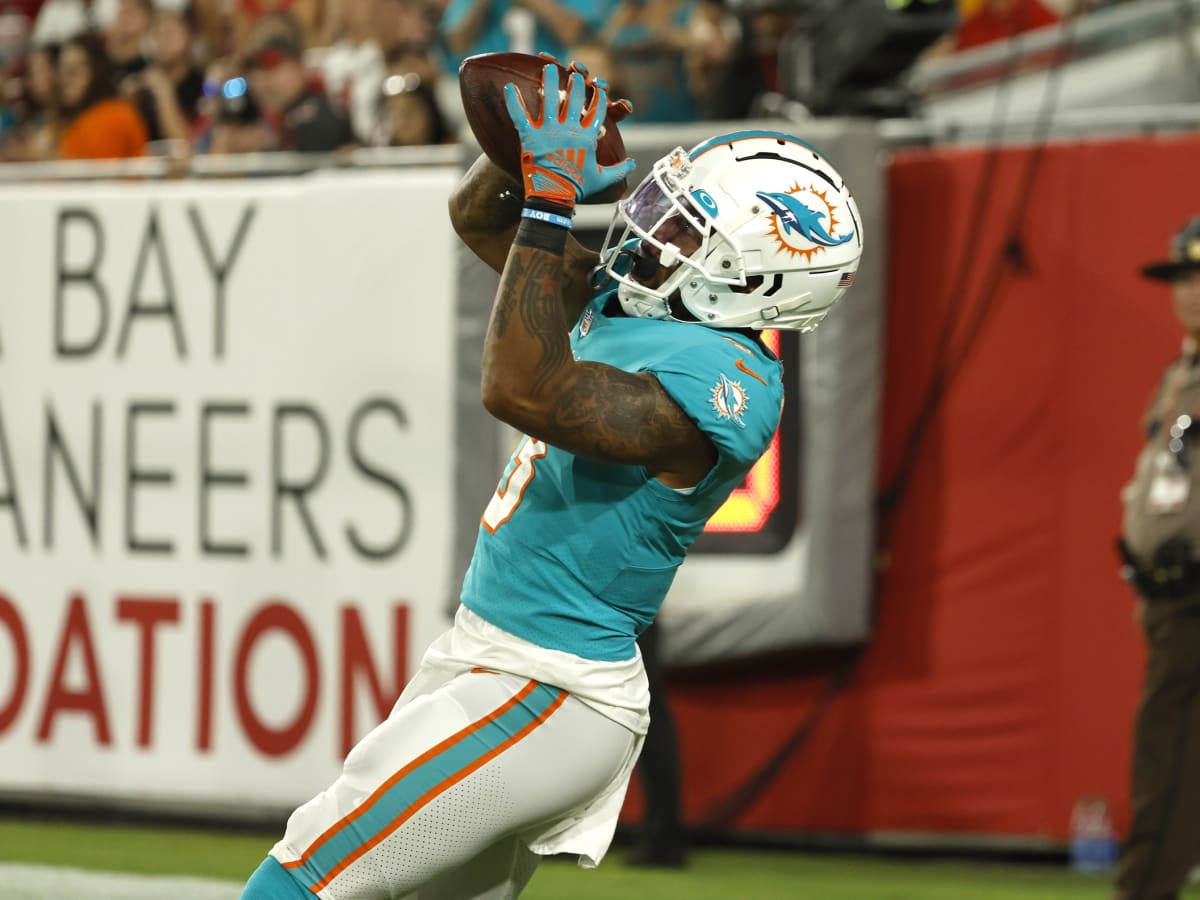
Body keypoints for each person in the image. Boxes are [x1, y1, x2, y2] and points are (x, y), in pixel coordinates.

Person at [239, 60, 862, 899]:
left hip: (549, 684)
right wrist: (525, 157)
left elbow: (522, 387)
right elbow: (474, 218)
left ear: (755, 281)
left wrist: (551, 198)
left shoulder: (729, 382)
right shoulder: (654, 305)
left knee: (310, 868)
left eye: (686, 233)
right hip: (494, 658)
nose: (653, 233)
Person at [1112, 217, 1200, 900]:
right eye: (1183, 277)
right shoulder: (1181, 371)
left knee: (1167, 768)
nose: (1191, 292)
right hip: (1168, 597)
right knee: (1167, 761)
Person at [246, 32, 355, 152]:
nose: (262, 80)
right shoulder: (263, 119)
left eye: (272, 67)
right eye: (256, 72)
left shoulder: (320, 111)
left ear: (299, 67)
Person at [56, 30, 148, 159]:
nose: (64, 81)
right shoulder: (62, 121)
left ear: (96, 71)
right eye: (61, 71)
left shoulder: (114, 115)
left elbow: (93, 174)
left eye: (73, 71)